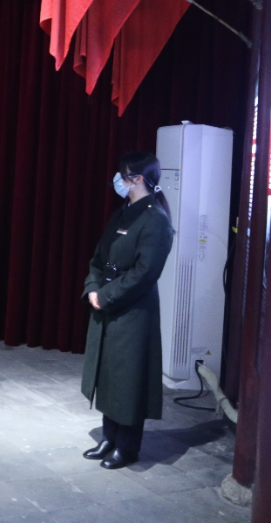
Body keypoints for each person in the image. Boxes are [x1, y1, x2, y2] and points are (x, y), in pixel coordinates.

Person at [81, 152, 175, 470]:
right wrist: (92, 287)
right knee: (109, 374)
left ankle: (127, 446)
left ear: (137, 179)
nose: (118, 181)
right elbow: (99, 256)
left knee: (128, 378)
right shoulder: (123, 213)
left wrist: (105, 296)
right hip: (108, 303)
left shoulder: (156, 220)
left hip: (132, 310)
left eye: (123, 176)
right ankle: (109, 437)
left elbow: (145, 273)